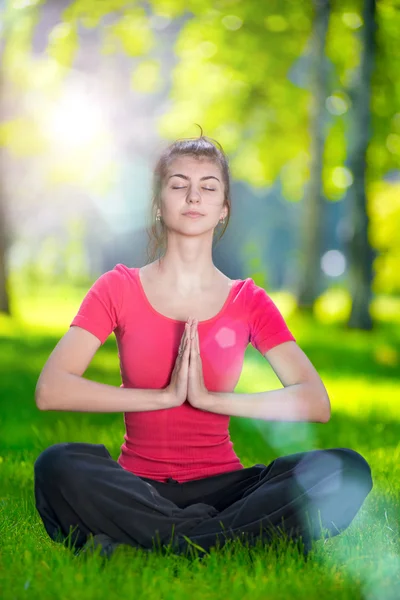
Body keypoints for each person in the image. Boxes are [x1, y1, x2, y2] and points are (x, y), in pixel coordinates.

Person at [33, 132, 373, 562]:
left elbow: (314, 402)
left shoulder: (247, 300)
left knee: (346, 470)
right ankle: (232, 539)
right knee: (56, 466)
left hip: (226, 489)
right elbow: (52, 390)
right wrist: (163, 398)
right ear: (159, 203)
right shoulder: (118, 287)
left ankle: (146, 543)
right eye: (178, 185)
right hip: (139, 486)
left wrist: (212, 400)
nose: (193, 196)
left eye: (209, 187)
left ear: (223, 208)